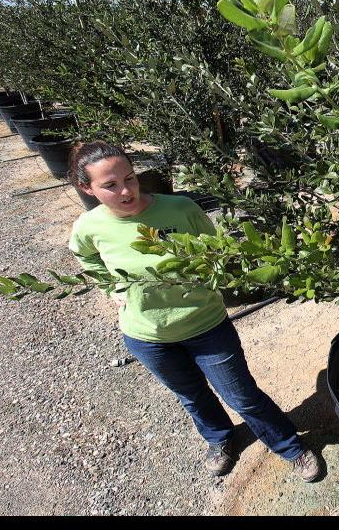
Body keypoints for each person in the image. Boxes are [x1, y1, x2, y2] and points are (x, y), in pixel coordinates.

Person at [66, 141, 321, 481]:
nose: (126, 191)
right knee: (192, 396)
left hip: (206, 327)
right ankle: (220, 439)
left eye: (129, 178)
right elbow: (86, 256)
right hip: (147, 337)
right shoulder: (89, 226)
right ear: (87, 188)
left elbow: (215, 249)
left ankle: (290, 447)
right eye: (110, 185)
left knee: (242, 397)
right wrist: (110, 287)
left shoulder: (180, 209)